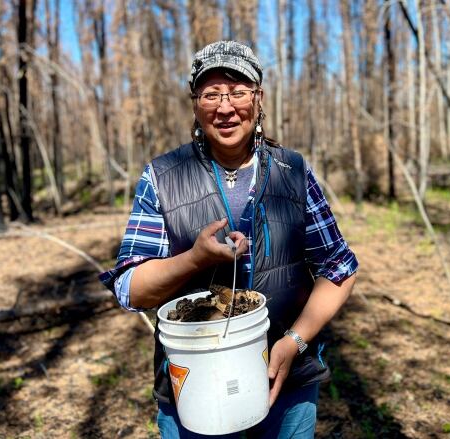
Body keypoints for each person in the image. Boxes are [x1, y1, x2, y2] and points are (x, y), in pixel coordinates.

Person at [99, 40, 358, 438]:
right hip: (196, 390)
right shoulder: (164, 176)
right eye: (211, 93)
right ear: (195, 103)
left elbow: (339, 268)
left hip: (285, 388)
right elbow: (130, 288)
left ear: (258, 99)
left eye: (238, 91)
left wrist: (294, 341)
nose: (225, 106)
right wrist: (194, 259)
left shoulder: (292, 171)